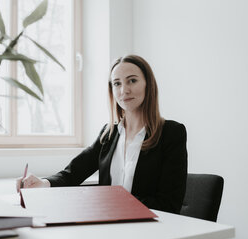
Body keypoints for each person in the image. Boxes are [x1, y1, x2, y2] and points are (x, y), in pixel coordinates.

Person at [16, 55, 187, 214]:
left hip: (153, 228)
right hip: (109, 225)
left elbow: (169, 204)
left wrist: (108, 201)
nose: (124, 90)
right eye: (117, 84)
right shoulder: (109, 133)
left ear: (148, 85)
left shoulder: (171, 133)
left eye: (132, 81)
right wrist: (42, 184)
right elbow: (72, 173)